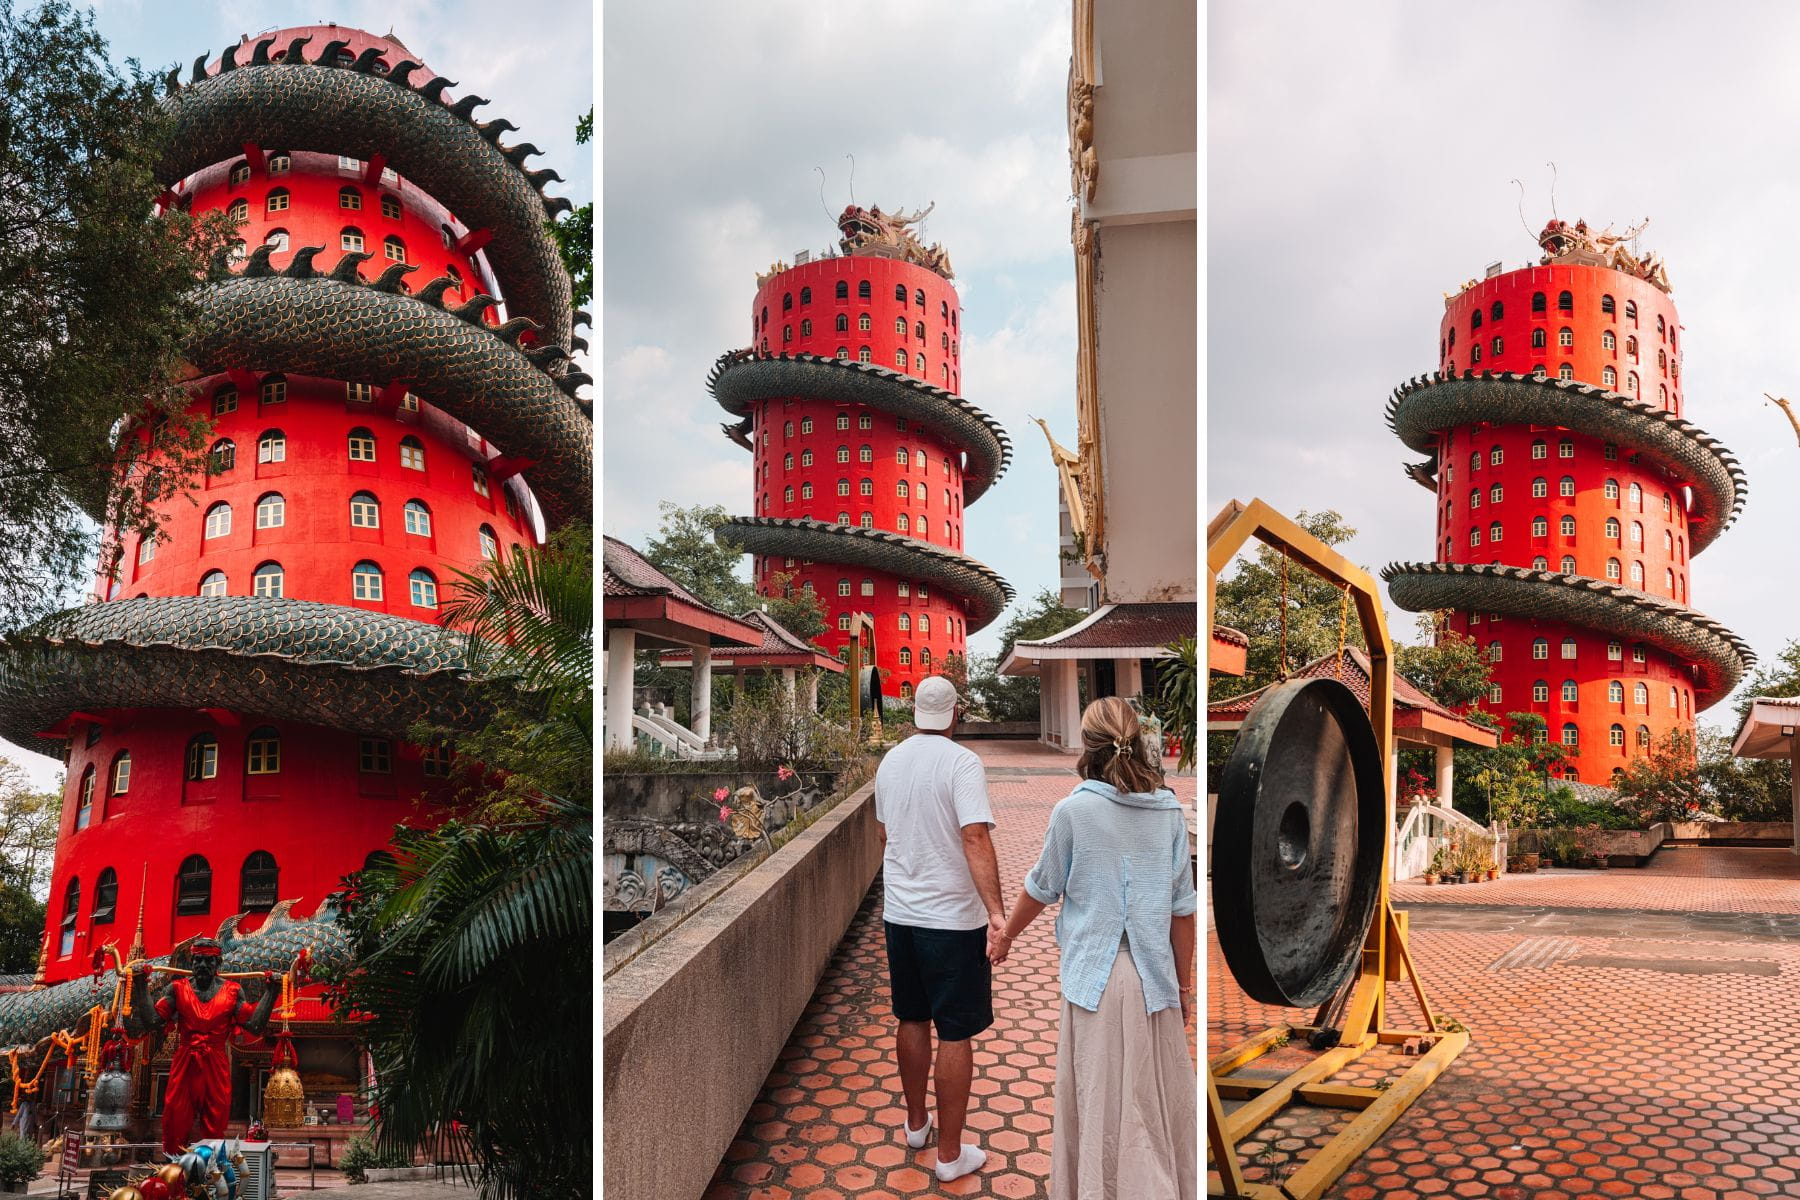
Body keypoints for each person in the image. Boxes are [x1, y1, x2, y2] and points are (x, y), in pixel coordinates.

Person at [991, 695, 1197, 1199]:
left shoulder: (1074, 811)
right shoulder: (1169, 812)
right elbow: (1183, 910)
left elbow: (1041, 887)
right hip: (1155, 982)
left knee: (1101, 1104)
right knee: (1152, 1106)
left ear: (1089, 745)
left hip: (1094, 984)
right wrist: (1184, 986)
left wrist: (1006, 936)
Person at [873, 673, 1004, 1183]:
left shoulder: (891, 761)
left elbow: (884, 832)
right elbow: (974, 836)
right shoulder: (962, 762)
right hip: (951, 919)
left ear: (914, 713)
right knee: (955, 1030)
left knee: (911, 1016)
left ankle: (915, 1124)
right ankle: (950, 1155)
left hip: (900, 915)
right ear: (954, 714)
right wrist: (995, 912)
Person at [126, 938, 277, 1153]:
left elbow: (254, 1026)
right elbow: (152, 1021)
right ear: (191, 963)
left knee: (215, 1120)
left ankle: (210, 1175)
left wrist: (272, 993)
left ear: (218, 964)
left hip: (215, 1062)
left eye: (208, 961)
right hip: (185, 1060)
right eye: (197, 961)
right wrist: (140, 984)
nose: (202, 966)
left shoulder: (233, 991)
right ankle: (174, 1173)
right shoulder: (176, 989)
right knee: (175, 1116)